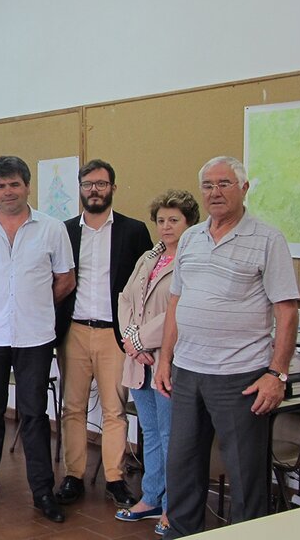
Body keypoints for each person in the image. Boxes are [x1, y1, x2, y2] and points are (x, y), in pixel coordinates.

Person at [155, 156, 299, 538]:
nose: (215, 192)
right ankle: (181, 532)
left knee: (245, 475)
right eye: (208, 185)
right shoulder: (190, 238)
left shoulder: (267, 239)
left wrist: (277, 373)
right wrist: (165, 359)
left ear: (244, 188)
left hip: (240, 376)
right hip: (187, 372)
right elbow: (176, 302)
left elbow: (286, 310)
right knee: (182, 468)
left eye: (224, 183)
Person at [0, 156, 75, 523]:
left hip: (35, 337)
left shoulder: (52, 229)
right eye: (1, 186)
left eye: (14, 184)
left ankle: (42, 492)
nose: (8, 192)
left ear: (27, 187)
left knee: (34, 415)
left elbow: (65, 280)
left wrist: (34, 306)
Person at [54, 160, 151, 508]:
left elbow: (145, 285)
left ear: (113, 188)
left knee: (114, 409)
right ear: (79, 188)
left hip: (115, 335)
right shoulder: (64, 231)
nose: (94, 190)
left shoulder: (134, 231)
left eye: (101, 183)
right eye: (88, 184)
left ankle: (114, 478)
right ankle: (73, 476)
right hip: (74, 331)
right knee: (72, 408)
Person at [114, 189, 199, 535]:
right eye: (161, 220)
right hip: (140, 359)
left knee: (170, 435)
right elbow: (125, 298)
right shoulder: (150, 257)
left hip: (168, 358)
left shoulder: (193, 259)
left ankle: (172, 508)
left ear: (190, 222)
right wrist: (131, 341)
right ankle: (151, 497)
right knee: (149, 432)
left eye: (174, 220)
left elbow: (179, 310)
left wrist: (139, 340)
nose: (166, 226)